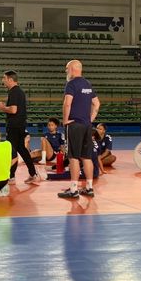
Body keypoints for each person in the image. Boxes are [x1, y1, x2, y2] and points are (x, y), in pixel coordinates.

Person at [58, 60, 101, 199]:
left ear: (72, 69)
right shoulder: (87, 84)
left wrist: (65, 120)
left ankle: (74, 189)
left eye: (66, 69)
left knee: (73, 157)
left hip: (74, 125)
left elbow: (67, 103)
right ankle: (89, 188)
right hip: (87, 125)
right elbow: (97, 104)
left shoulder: (71, 84)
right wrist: (90, 119)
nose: (66, 71)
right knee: (86, 157)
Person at [0, 70, 41, 184]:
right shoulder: (19, 91)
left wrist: (2, 107)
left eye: (4, 78)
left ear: (10, 79)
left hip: (14, 125)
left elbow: (13, 109)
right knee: (22, 149)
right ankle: (33, 174)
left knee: (12, 150)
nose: (3, 80)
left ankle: (11, 176)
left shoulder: (14, 92)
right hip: (20, 125)